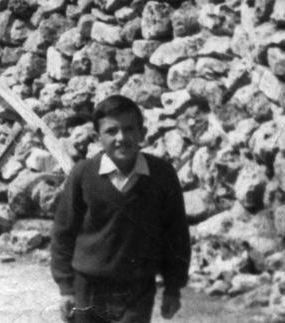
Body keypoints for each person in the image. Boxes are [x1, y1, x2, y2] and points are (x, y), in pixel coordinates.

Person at [51, 95, 190, 323]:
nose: (121, 138)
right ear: (97, 137)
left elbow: (176, 236)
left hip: (138, 290)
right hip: (89, 288)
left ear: (142, 133)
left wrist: (173, 288)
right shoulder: (83, 174)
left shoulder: (161, 175)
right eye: (111, 131)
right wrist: (66, 289)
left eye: (129, 129)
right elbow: (63, 233)